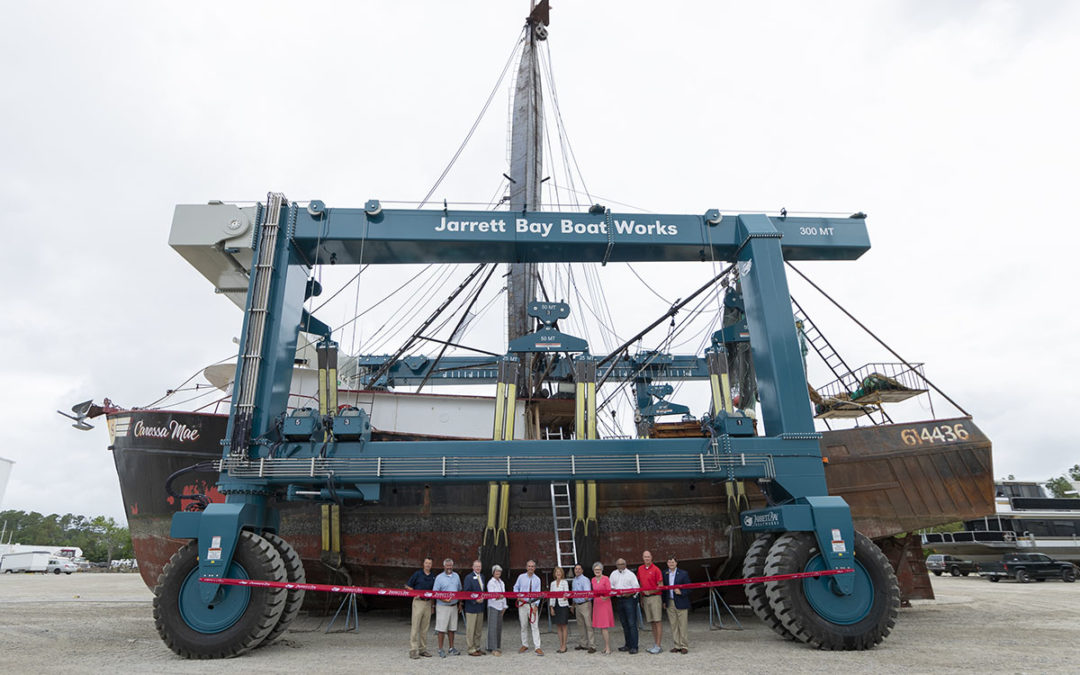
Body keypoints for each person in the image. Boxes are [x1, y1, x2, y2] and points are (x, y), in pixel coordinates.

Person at [405, 557, 436, 659]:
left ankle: (422, 649)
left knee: (425, 628)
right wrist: (414, 593)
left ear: (431, 565)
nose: (428, 565)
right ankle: (413, 650)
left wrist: (432, 606)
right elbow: (408, 586)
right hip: (418, 602)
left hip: (428, 603)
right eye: (426, 563)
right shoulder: (417, 574)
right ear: (423, 564)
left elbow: (433, 592)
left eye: (430, 563)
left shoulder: (433, 576)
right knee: (415, 626)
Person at [609, 557, 640, 653]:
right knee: (624, 624)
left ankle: (634, 646)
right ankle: (628, 644)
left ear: (625, 565)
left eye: (622, 564)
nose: (620, 566)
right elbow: (611, 586)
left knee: (632, 623)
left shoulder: (631, 575)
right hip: (619, 599)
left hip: (629, 600)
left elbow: (636, 588)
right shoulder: (613, 574)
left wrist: (629, 594)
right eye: (618, 564)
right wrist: (615, 591)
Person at [433, 558, 462, 658]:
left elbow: (459, 591)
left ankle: (451, 648)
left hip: (454, 606)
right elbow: (435, 593)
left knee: (452, 628)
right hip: (443, 606)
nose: (449, 567)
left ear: (452, 566)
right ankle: (440, 649)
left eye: (450, 565)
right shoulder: (439, 578)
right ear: (444, 566)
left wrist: (460, 604)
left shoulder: (456, 576)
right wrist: (444, 600)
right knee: (441, 628)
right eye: (447, 565)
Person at [513, 559, 543, 655]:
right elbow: (515, 588)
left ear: (534, 568)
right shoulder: (521, 577)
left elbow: (538, 593)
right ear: (526, 567)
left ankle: (537, 647)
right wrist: (518, 597)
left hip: (533, 604)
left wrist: (536, 606)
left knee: (535, 626)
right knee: (523, 625)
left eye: (532, 566)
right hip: (523, 604)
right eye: (529, 566)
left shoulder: (537, 579)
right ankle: (524, 645)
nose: (530, 568)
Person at [637, 550, 664, 654]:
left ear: (651, 557)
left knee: (657, 621)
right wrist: (641, 598)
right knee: (652, 621)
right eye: (645, 557)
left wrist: (650, 591)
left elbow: (660, 586)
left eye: (648, 557)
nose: (647, 558)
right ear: (642, 558)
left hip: (655, 597)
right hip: (645, 598)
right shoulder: (640, 569)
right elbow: (640, 584)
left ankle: (658, 645)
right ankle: (655, 644)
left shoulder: (656, 569)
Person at [664, 556, 691, 654]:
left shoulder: (683, 574)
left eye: (673, 562)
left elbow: (689, 587)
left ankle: (684, 645)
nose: (671, 564)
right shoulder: (665, 573)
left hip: (681, 601)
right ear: (667, 564)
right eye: (669, 562)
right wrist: (664, 602)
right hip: (670, 602)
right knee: (673, 624)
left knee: (682, 625)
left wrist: (681, 592)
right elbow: (664, 589)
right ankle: (677, 645)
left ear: (676, 563)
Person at [462, 559, 486, 656]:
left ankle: (477, 647)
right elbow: (466, 592)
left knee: (478, 630)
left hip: (480, 608)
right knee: (470, 630)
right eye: (476, 566)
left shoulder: (483, 577)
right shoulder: (468, 578)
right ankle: (471, 649)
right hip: (471, 608)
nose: (478, 568)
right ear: (473, 567)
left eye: (479, 566)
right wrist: (475, 600)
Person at [590, 562, 614, 655]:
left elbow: (610, 591)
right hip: (597, 604)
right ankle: (605, 646)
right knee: (601, 627)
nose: (597, 571)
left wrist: (606, 597)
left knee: (604, 627)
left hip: (605, 604)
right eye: (596, 570)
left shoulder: (606, 578)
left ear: (602, 570)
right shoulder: (592, 580)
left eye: (599, 569)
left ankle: (608, 647)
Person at [571, 563, 595, 653]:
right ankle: (583, 644)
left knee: (589, 625)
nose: (577, 570)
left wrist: (584, 599)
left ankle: (592, 645)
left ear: (582, 570)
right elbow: (573, 594)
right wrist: (573, 605)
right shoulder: (574, 580)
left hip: (585, 604)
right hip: (577, 604)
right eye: (576, 569)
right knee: (580, 625)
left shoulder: (585, 580)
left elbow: (587, 593)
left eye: (579, 569)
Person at [486, 564, 507, 656]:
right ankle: (492, 648)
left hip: (500, 607)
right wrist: (499, 597)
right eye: (496, 571)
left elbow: (504, 595)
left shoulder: (502, 582)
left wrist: (504, 606)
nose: (498, 573)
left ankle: (497, 646)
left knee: (499, 627)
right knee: (492, 628)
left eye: (499, 571)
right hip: (493, 606)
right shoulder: (491, 582)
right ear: (493, 572)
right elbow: (492, 596)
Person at [549, 566, 570, 653]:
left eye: (559, 572)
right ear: (555, 574)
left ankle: (564, 645)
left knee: (564, 625)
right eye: (556, 572)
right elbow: (551, 596)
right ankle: (561, 644)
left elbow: (567, 593)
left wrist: (565, 596)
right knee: (558, 626)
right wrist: (551, 607)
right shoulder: (552, 583)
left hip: (563, 605)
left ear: (562, 573)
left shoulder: (564, 582)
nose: (558, 573)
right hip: (555, 605)